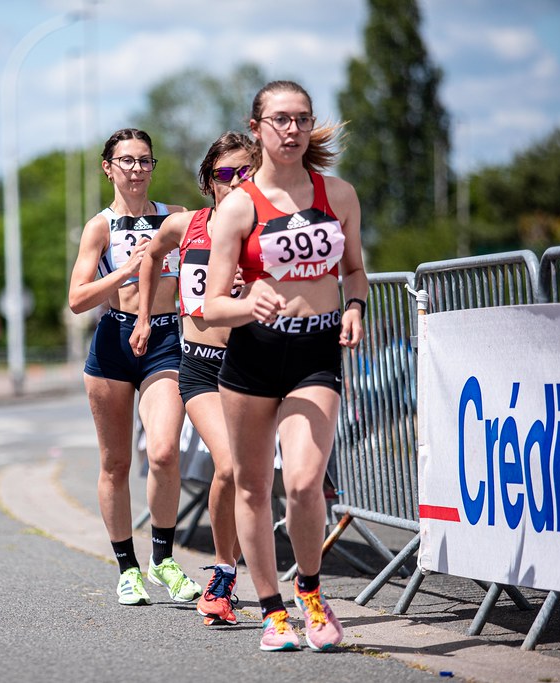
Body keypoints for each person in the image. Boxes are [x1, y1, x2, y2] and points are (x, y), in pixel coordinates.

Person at [202, 80, 367, 651]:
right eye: (279, 120)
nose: (291, 129)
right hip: (253, 358)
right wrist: (248, 304)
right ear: (257, 129)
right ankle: (272, 612)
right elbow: (212, 303)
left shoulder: (338, 194)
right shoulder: (240, 206)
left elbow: (354, 271)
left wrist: (355, 308)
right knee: (252, 487)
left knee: (302, 482)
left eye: (300, 118)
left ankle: (312, 593)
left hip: (316, 354)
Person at [130, 131, 260, 625]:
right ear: (209, 182)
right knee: (227, 466)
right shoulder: (187, 225)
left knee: (250, 475)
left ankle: (255, 574)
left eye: (245, 173)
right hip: (202, 365)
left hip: (253, 366)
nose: (235, 183)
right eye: (225, 175)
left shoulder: (268, 231)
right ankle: (223, 574)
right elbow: (151, 256)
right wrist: (144, 316)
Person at [67, 127, 201, 607]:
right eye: (126, 161)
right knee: (116, 462)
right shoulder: (99, 227)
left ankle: (162, 558)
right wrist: (124, 271)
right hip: (114, 341)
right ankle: (127, 568)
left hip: (166, 338)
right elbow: (77, 299)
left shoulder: (176, 217)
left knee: (164, 451)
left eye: (145, 161)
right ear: (108, 168)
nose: (137, 169)